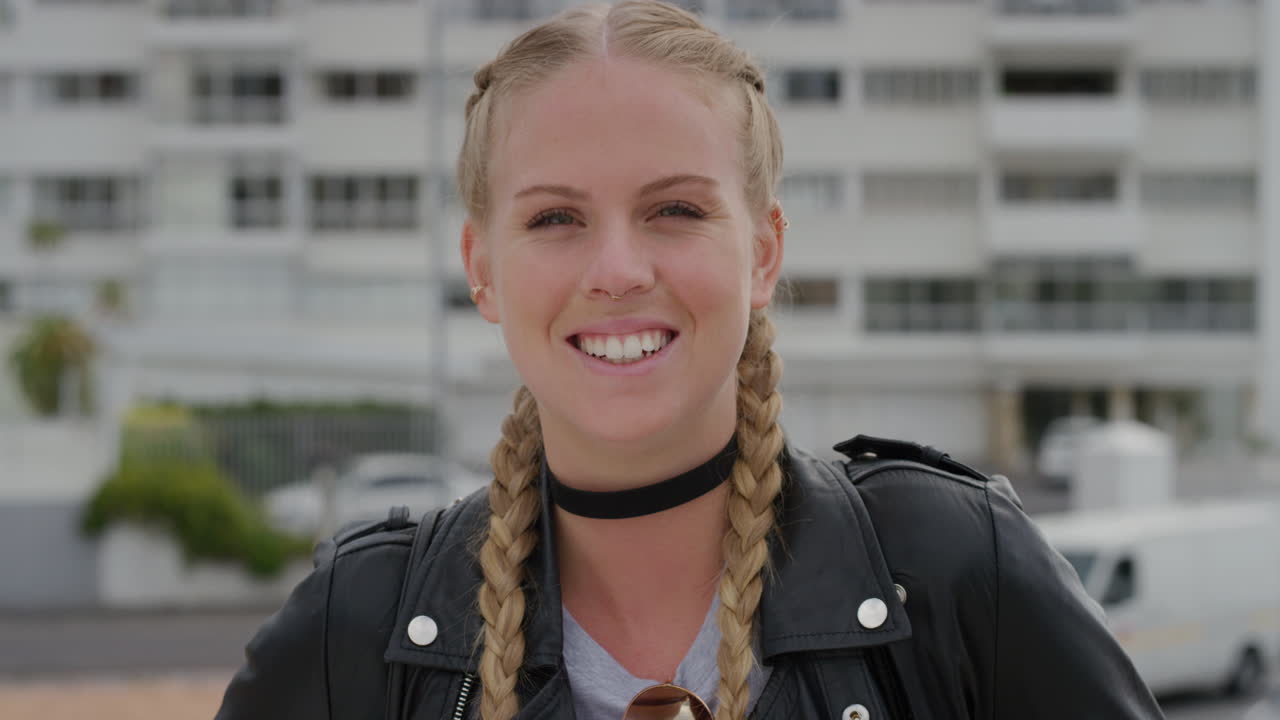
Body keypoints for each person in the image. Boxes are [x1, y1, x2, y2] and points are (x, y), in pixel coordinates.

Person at [215, 2, 1167, 719]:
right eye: (555, 218)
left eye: (675, 210)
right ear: (482, 271)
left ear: (763, 252)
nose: (618, 270)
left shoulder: (957, 569)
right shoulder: (361, 631)